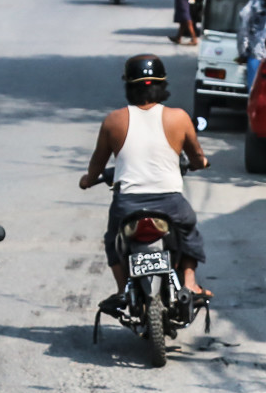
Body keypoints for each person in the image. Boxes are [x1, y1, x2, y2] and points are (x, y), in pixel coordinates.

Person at [79, 55, 211, 305]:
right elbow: (196, 156)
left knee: (113, 240)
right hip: (170, 204)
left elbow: (97, 163)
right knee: (189, 230)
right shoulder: (179, 118)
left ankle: (122, 291)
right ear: (162, 85)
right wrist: (199, 163)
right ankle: (190, 282)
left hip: (127, 204)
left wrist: (88, 180)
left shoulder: (113, 121)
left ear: (129, 86)